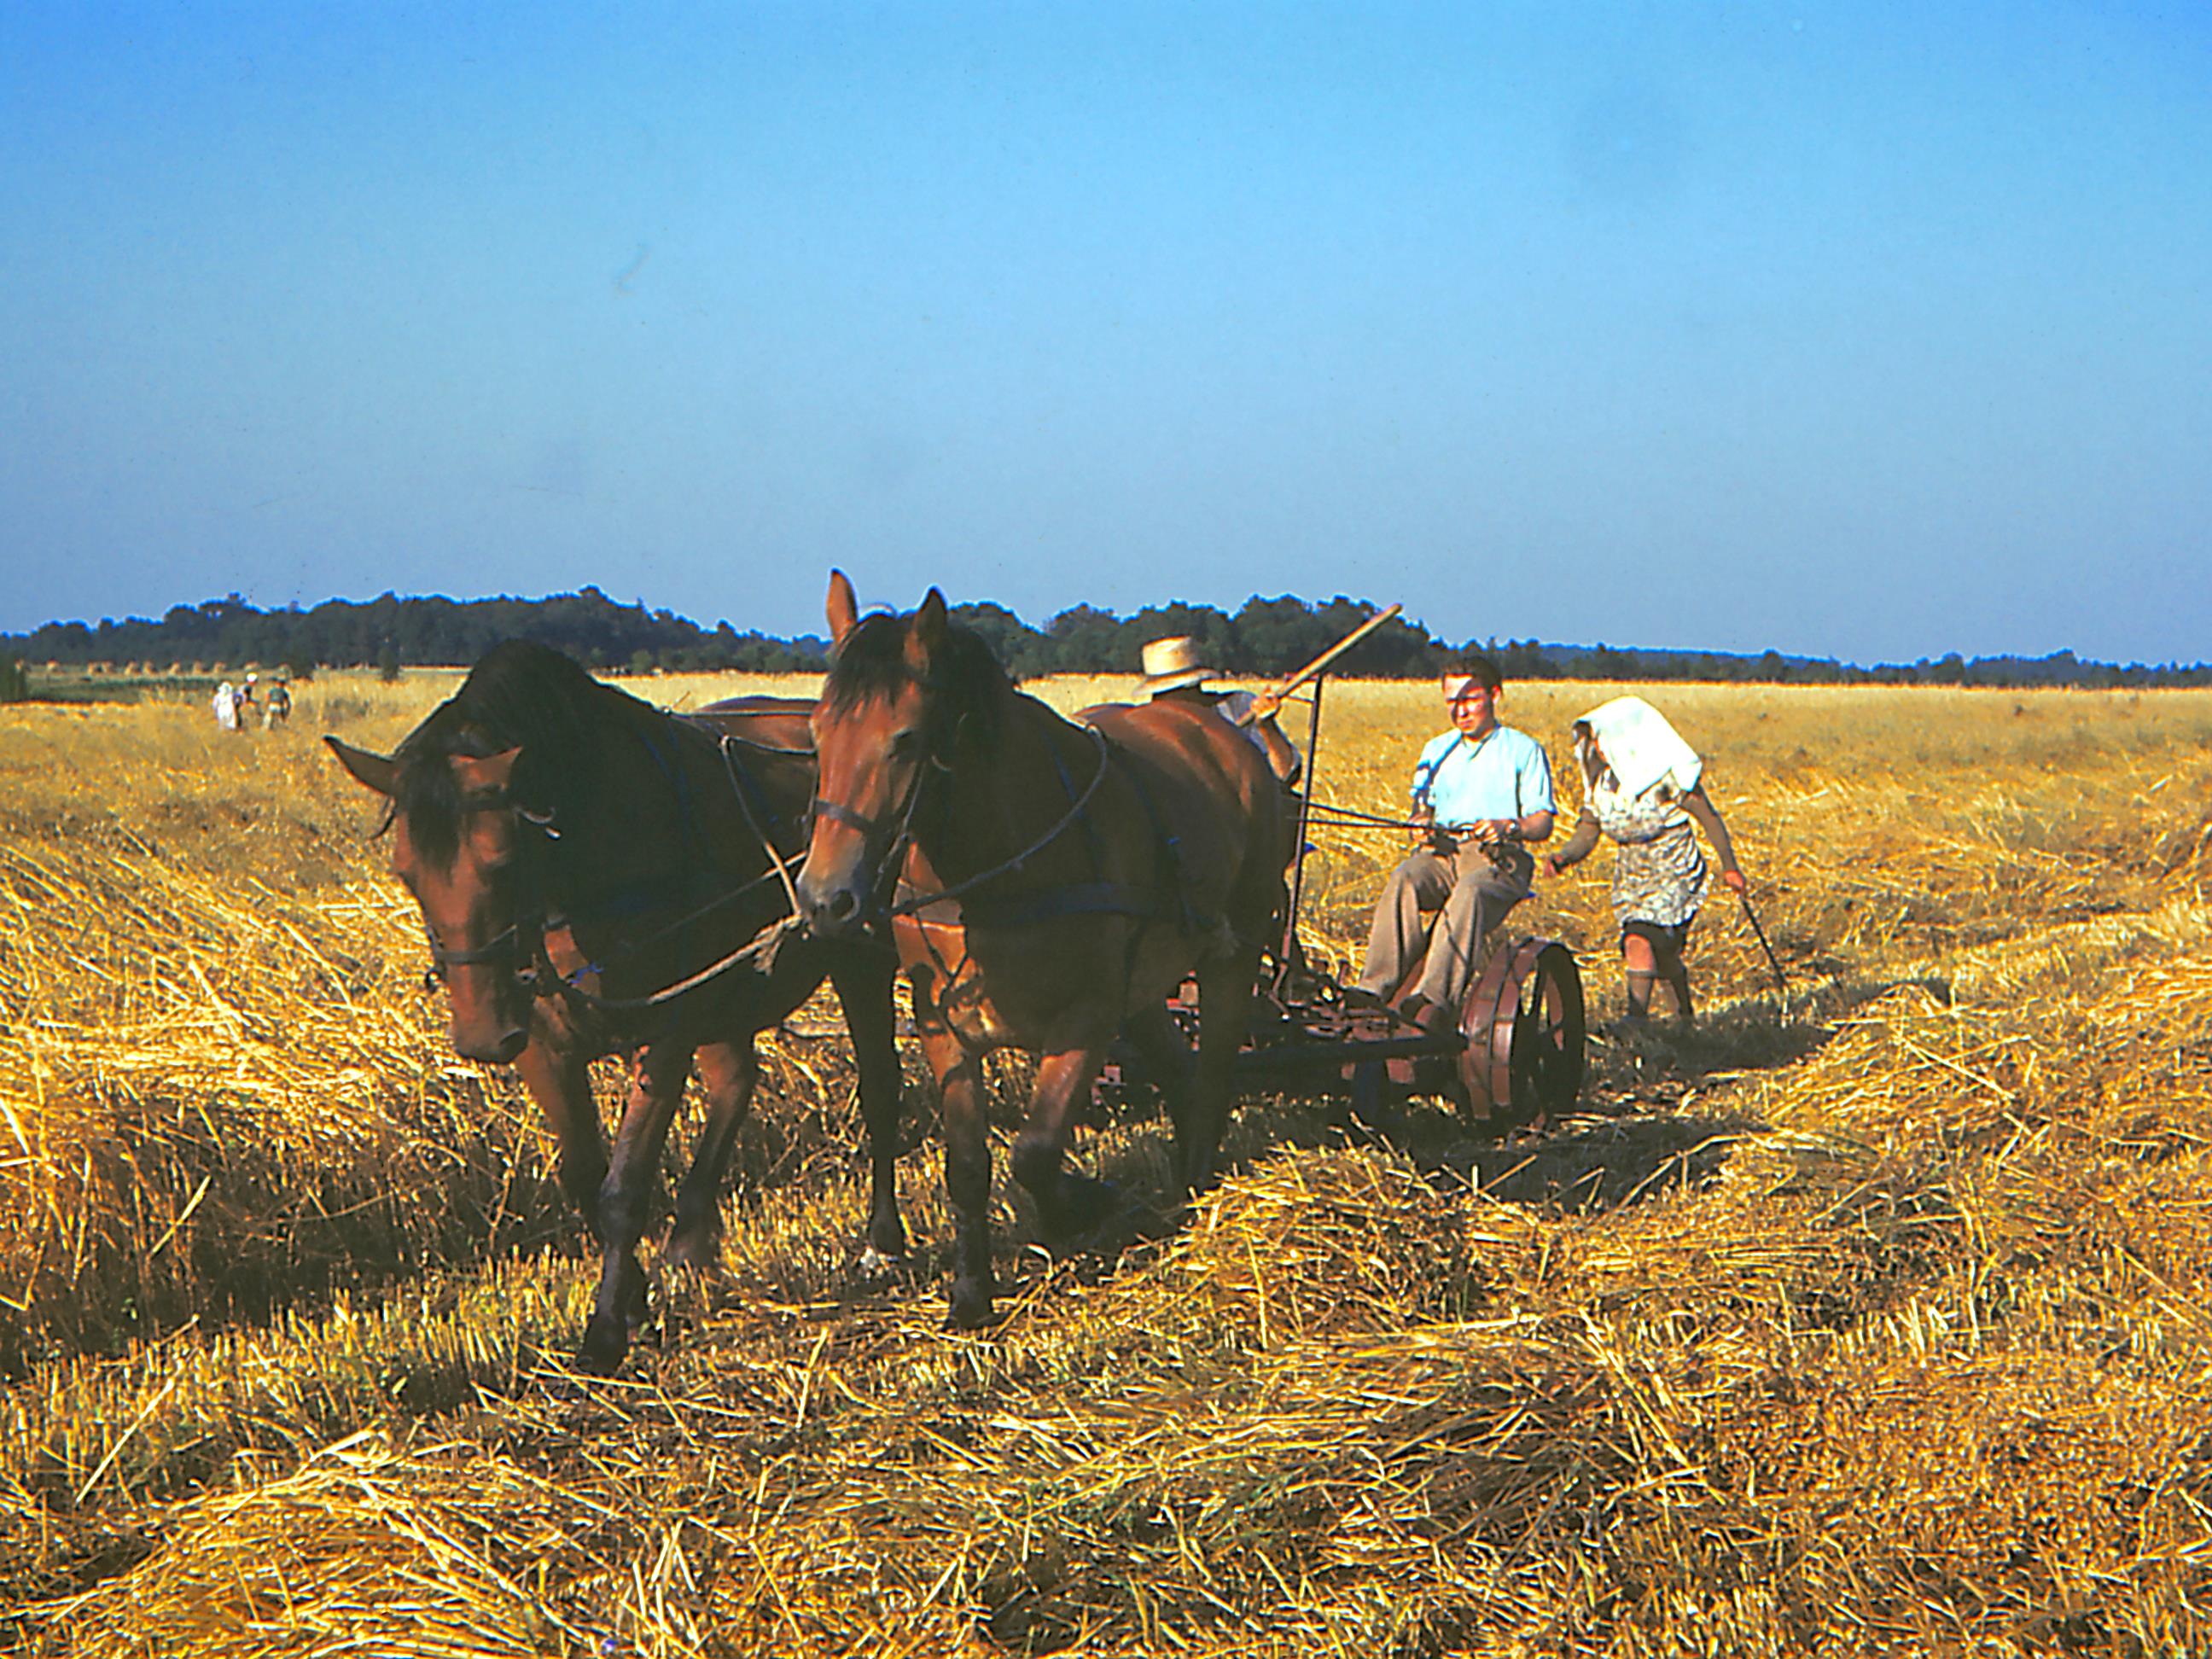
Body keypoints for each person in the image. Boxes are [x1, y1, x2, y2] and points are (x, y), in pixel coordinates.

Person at [1355, 654, 1554, 1026]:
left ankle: (1432, 998)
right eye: (1452, 702)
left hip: (1498, 858)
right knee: (1406, 878)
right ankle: (1372, 989)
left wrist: (1508, 826)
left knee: (1471, 891)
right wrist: (1421, 824)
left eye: (1470, 699)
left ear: (1495, 695)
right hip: (1443, 853)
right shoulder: (1437, 750)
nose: (1460, 711)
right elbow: (1420, 807)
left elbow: (1542, 823)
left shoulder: (1522, 750)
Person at [1541, 696, 1745, 1026]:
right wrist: (1564, 857)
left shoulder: (1666, 778)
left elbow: (1709, 818)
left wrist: (1730, 867)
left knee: (1641, 937)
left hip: (1673, 869)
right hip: (1633, 875)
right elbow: (1588, 831)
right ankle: (1685, 1020)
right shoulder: (1601, 785)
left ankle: (1635, 1020)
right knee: (1660, 953)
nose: (1597, 748)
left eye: (1601, 740)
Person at [1138, 636, 1302, 787]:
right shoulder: (1144, 728)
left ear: (1193, 686)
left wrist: (1267, 727)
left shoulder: (1238, 707)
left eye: (1175, 692)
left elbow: (1284, 774)